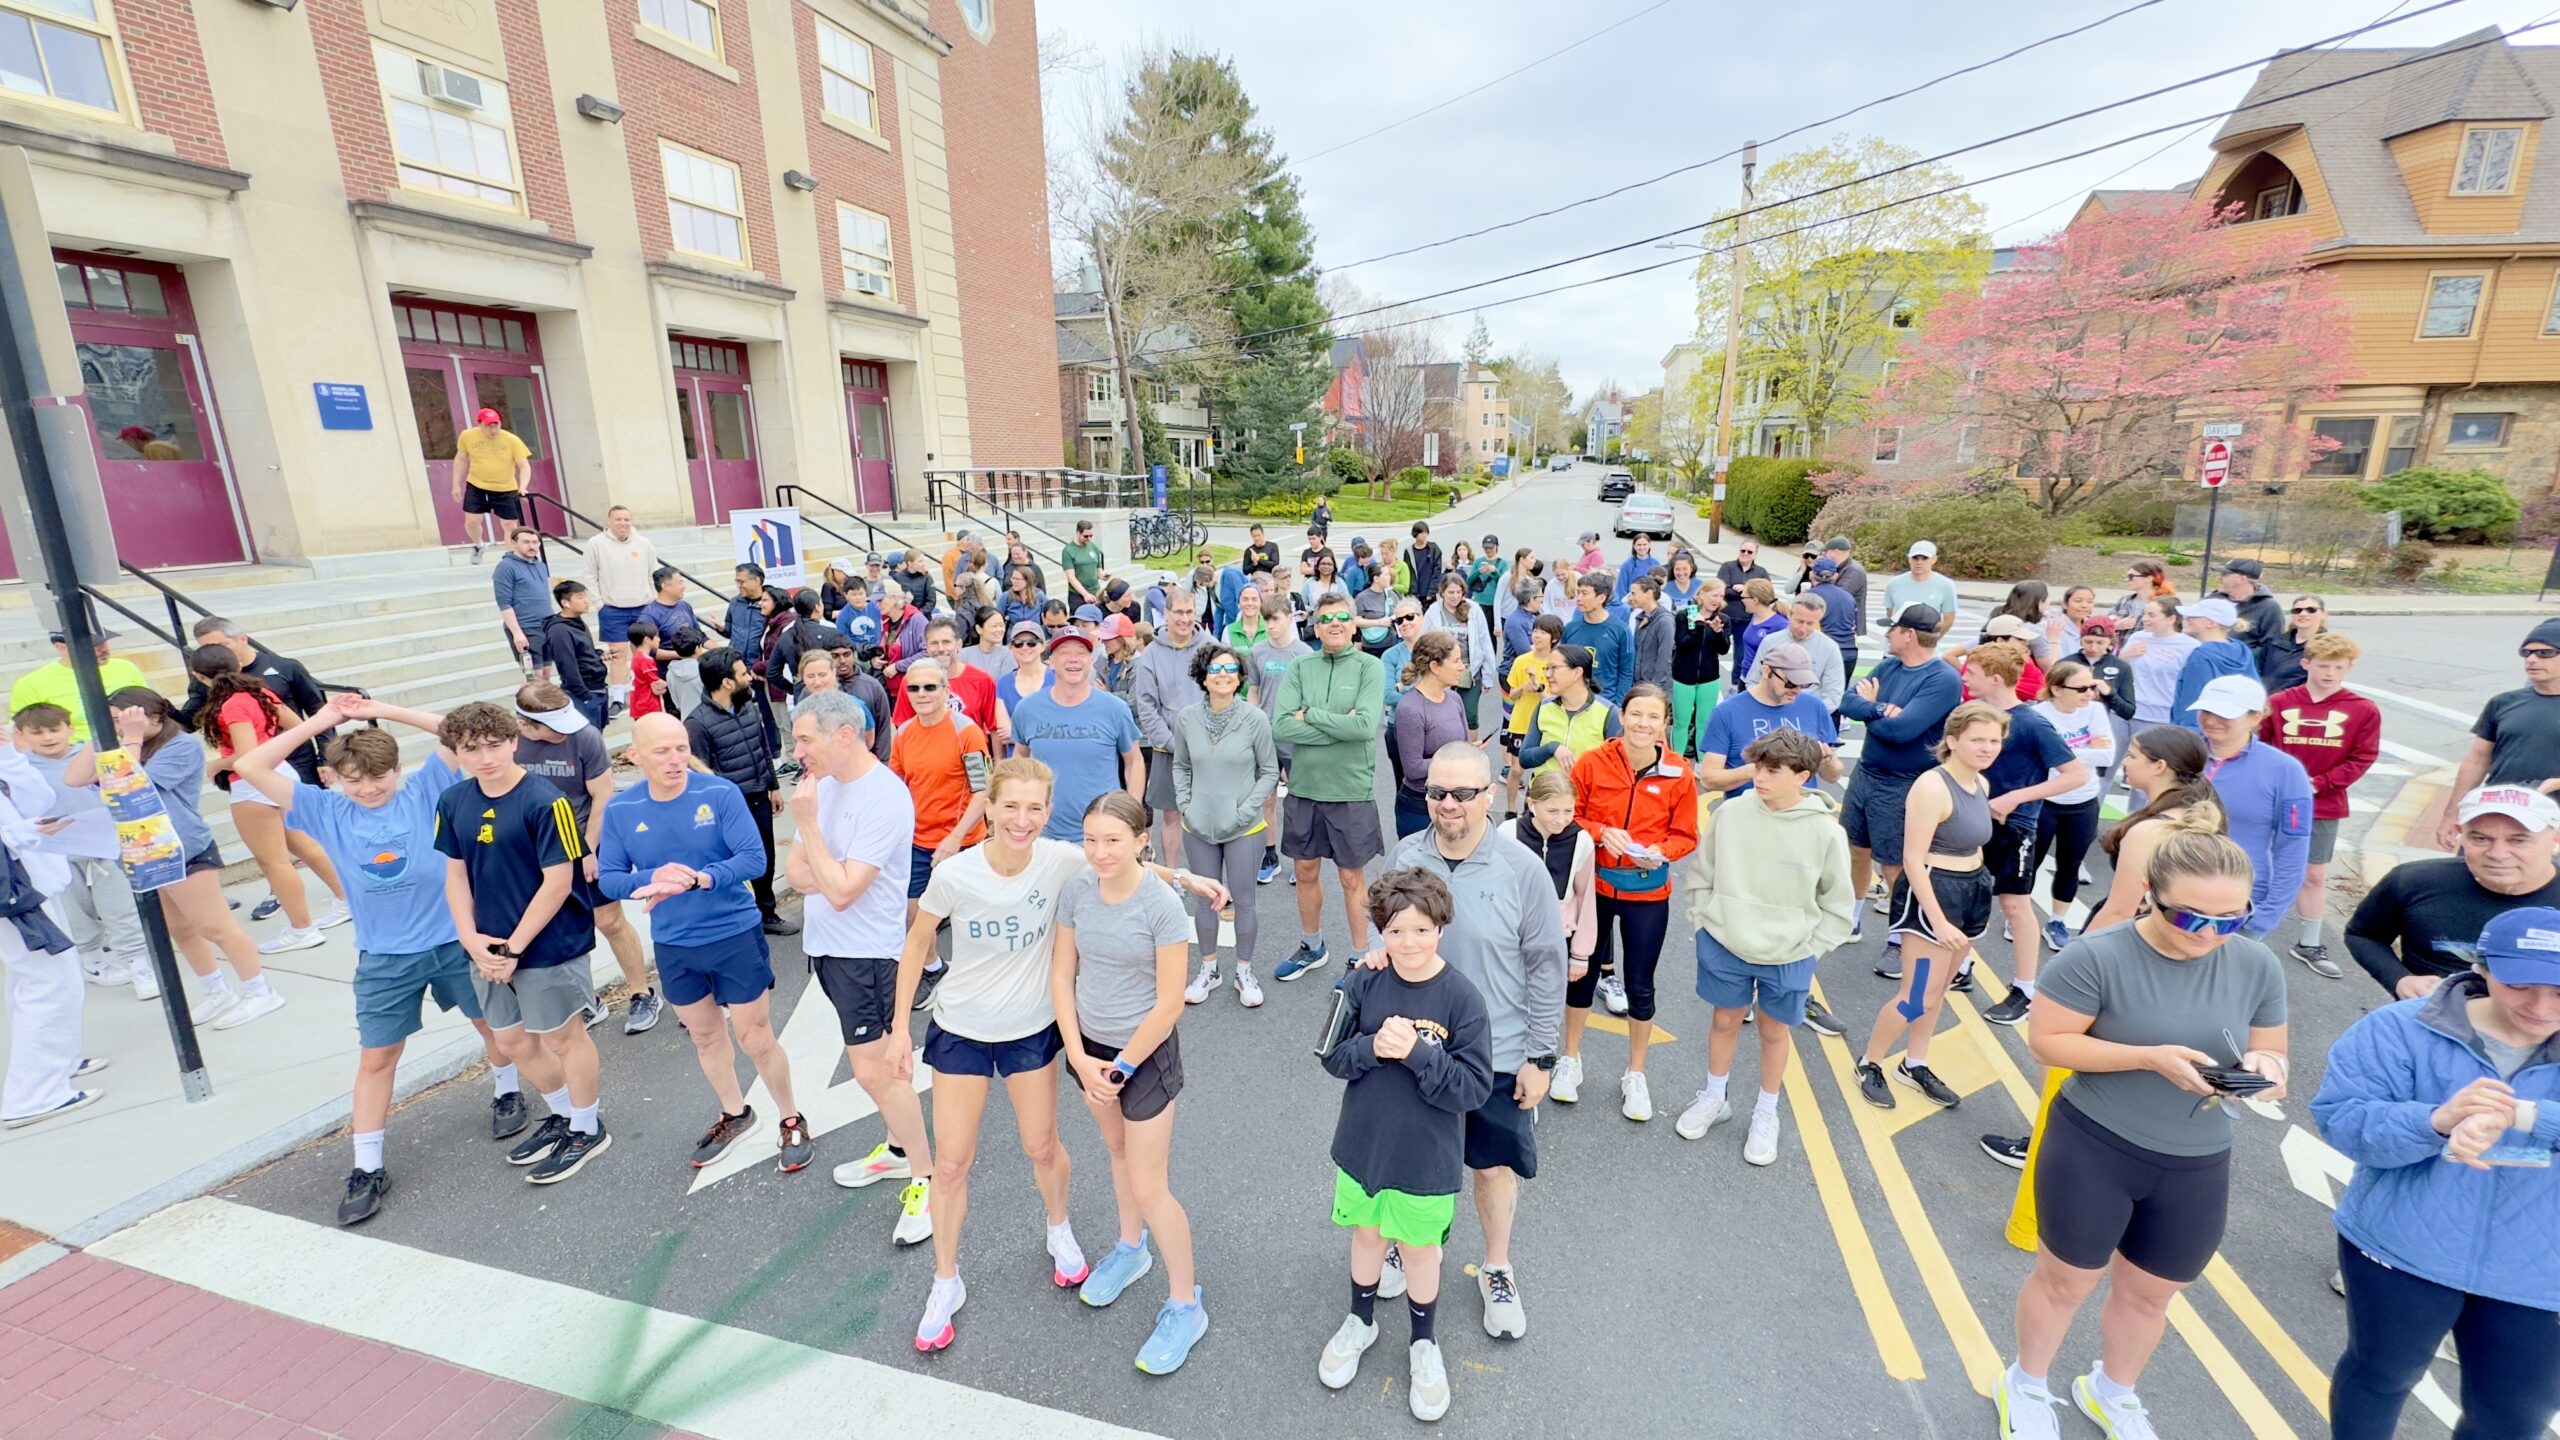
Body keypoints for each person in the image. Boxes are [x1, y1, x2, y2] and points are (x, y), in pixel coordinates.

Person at [894, 757, 1222, 1351]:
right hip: (1014, 1037)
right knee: (968, 1162)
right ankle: (959, 1279)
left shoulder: (1076, 867)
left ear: (1049, 814)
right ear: (988, 808)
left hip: (1083, 1045)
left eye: (1035, 808)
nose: (1022, 820)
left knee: (1089, 1162)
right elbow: (932, 944)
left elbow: (1129, 866)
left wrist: (1188, 880)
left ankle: (1140, 1276)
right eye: (1010, 806)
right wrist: (898, 1030)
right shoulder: (996, 876)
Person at [1996, 829, 2287, 1440]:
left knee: (2152, 1296)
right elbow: (2048, 1042)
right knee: (2064, 1283)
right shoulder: (2096, 956)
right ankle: (2025, 1381)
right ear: (2149, 894)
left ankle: (2112, 1391)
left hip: (2196, 1159)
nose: (2208, 934)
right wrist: (2148, 1057)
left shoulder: (2257, 963)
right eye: (2190, 916)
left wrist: (2266, 1072)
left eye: (2230, 920)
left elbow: (2272, 1055)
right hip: (2097, 1144)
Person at [232, 696, 517, 1221]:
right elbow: (248, 765)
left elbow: (456, 729)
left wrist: (377, 708)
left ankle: (508, 1091)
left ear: (397, 769)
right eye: (353, 779)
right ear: (335, 779)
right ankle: (367, 1165)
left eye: (377, 777)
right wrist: (321, 722)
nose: (367, 789)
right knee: (376, 1057)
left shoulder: (427, 789)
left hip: (456, 941)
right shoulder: (324, 809)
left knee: (492, 1027)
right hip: (385, 957)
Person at [2314, 905, 2560, 1440]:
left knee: (2512, 1421)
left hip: (2540, 1273)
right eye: (2522, 985)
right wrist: (2436, 1122)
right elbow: (2342, 1120)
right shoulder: (2399, 1029)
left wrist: (2522, 1116)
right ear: (2484, 968)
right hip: (2403, 1248)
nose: (2542, 1007)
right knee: (2380, 1376)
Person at [1316, 868, 1495, 1423]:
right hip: (1365, 1148)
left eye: (1420, 930)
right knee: (1367, 1237)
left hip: (1426, 1158)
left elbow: (1473, 1088)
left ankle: (1424, 1341)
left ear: (1441, 927)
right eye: (1394, 932)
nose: (1408, 943)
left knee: (1420, 1251)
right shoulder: (1361, 981)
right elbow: (1330, 1055)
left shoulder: (1463, 999)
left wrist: (1418, 1053)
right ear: (1379, 934)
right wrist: (1375, 1046)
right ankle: (1360, 1321)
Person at [605, 713, 810, 1176]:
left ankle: (791, 1116)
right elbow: (612, 880)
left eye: (681, 748)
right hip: (675, 944)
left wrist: (700, 879)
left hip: (733, 933)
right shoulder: (621, 810)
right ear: (634, 756)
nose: (676, 760)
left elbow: (754, 859)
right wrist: (651, 878)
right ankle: (735, 1114)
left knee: (755, 1037)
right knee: (704, 1035)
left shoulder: (718, 793)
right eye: (662, 751)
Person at [1050, 791, 1211, 1373]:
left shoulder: (1161, 904)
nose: (1099, 851)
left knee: (1150, 1185)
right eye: (1090, 839)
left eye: (1113, 840)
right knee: (1115, 1152)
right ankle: (1130, 1247)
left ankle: (1185, 1303)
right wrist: (1078, 1054)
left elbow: (1171, 1002)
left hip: (1141, 1059)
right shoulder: (1076, 889)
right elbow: (1062, 973)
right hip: (1088, 1051)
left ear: (1142, 842)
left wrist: (1118, 1070)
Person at [431, 700, 607, 1184]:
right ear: (457, 752)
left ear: (513, 743)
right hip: (486, 944)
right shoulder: (453, 801)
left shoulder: (548, 802)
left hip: (549, 943)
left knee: (562, 1037)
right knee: (510, 1040)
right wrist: (470, 939)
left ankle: (588, 1128)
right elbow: (455, 873)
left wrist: (512, 948)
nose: (485, 757)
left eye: (494, 745)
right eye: (471, 749)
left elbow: (557, 882)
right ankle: (562, 1114)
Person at [790, 692, 934, 1241]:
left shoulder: (884, 797)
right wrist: (823, 866)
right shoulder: (820, 789)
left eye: (806, 738)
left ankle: (924, 1175)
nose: (798, 749)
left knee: (878, 1072)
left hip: (868, 954)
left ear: (844, 735)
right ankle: (899, 1148)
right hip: (827, 949)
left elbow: (845, 890)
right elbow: (799, 874)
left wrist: (814, 841)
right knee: (871, 1069)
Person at [1676, 728, 1856, 1162]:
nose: (1760, 777)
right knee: (1724, 1020)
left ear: (1804, 776)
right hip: (1724, 942)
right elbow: (1703, 873)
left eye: (1774, 770)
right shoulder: (1731, 814)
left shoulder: (1826, 832)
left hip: (1790, 953)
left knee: (1775, 1031)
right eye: (1759, 767)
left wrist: (1812, 948)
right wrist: (1705, 921)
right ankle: (1715, 1097)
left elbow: (1837, 902)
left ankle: (1766, 1111)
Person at [1853, 701, 2008, 1112]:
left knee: (1939, 989)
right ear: (1953, 741)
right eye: (1978, 739)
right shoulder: (1932, 786)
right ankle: (1870, 1061)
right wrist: (1937, 919)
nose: (1988, 747)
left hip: (1971, 891)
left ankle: (1914, 1062)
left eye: (1994, 740)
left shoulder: (1981, 784)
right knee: (1916, 993)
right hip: (1934, 895)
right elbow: (1911, 859)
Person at [103, 688, 282, 1029]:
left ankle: (259, 990)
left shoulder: (181, 746)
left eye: (125, 720)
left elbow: (137, 787)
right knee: (180, 929)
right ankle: (216, 990)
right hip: (148, 850)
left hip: (183, 845)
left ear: (155, 715)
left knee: (216, 926)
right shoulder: (129, 746)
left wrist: (132, 740)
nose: (120, 728)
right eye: (115, 722)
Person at [1567, 684, 1698, 1122]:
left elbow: (1686, 836)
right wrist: (1602, 832)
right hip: (1595, 889)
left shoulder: (1680, 773)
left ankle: (1635, 1073)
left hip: (1648, 892)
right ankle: (1570, 1059)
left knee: (1640, 985)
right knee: (1580, 974)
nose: (1643, 724)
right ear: (1621, 716)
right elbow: (1571, 815)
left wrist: (1661, 850)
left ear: (1665, 724)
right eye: (1636, 714)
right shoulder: (1592, 762)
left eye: (1653, 717)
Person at [513, 685, 657, 1033]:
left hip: (586, 837)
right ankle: (585, 1000)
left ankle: (642, 992)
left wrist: (589, 850)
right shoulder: (511, 739)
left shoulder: (585, 737)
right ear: (526, 725)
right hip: (537, 847)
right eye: (554, 725)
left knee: (608, 920)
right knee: (557, 927)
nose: (564, 729)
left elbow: (602, 795)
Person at [188, 646, 351, 953]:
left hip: (252, 784)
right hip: (282, 773)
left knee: (274, 862)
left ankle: (302, 928)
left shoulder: (230, 705)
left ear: (198, 676)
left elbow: (248, 755)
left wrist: (217, 764)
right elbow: (300, 728)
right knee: (306, 846)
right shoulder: (259, 692)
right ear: (237, 663)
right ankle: (347, 900)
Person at [1963, 641, 2086, 1028]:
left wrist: (2017, 797)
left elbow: (2076, 774)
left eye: (1973, 671)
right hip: (1973, 821)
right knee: (1968, 894)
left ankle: (2025, 988)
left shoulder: (2032, 723)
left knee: (2015, 905)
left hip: (2015, 828)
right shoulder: (1975, 715)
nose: (1965, 675)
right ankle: (1962, 965)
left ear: (1995, 678)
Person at [1271, 594, 1388, 982]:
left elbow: (1363, 727)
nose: (1334, 623)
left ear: (1354, 625)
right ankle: (1312, 945)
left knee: (1352, 878)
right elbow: (1282, 726)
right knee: (1304, 871)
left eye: (1342, 617)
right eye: (1326, 619)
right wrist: (1339, 727)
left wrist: (1314, 717)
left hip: (1350, 792)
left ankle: (1360, 958)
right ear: (1316, 627)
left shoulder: (1370, 667)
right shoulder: (1301, 666)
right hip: (1305, 789)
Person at [2350, 785, 2560, 1001]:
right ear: (2462, 835)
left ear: (2555, 839)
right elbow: (2363, 935)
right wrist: (2401, 979)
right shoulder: (2414, 881)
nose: (2498, 854)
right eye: (2480, 839)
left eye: (2518, 840)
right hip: (2429, 1022)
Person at [2258, 631, 2380, 979]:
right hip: (2275, 799)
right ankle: (2242, 929)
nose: (2329, 673)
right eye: (2323, 665)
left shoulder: (2362, 709)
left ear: (2348, 668)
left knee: (2314, 873)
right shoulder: (2281, 702)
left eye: (2338, 667)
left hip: (2322, 803)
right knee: (2255, 863)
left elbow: (2363, 756)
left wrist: (2320, 783)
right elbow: (2261, 745)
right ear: (2306, 663)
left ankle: (2309, 942)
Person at [1837, 606, 1965, 929]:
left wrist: (1870, 714)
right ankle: (1852, 918)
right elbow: (1848, 701)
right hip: (1866, 773)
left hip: (1904, 783)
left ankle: (1900, 936)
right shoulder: (1889, 665)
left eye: (1892, 628)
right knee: (1856, 849)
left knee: (1896, 866)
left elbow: (1902, 731)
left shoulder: (1943, 679)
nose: (1887, 634)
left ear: (1909, 634)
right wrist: (1881, 709)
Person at [12, 704, 148, 997]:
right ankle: (93, 959)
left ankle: (138, 961)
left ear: (70, 728)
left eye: (54, 729)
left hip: (103, 846)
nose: (47, 737)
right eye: (37, 732)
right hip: (55, 852)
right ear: (21, 735)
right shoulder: (21, 768)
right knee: (75, 911)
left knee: (119, 907)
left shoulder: (89, 757)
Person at [1173, 643, 1278, 1007]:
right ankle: (1209, 970)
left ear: (1239, 678)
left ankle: (1244, 972)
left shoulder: (1255, 719)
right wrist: (1185, 804)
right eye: (1215, 669)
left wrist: (1246, 809)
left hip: (1244, 827)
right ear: (1203, 676)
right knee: (1204, 902)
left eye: (1230, 669)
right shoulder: (1186, 718)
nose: (1223, 675)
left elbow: (1269, 772)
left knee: (1244, 901)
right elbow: (1181, 765)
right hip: (1197, 825)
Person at [0, 743, 92, 1128]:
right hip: (16, 893)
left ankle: (56, 1064)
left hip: (32, 883)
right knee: (50, 981)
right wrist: (23, 832)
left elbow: (39, 799)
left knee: (37, 978)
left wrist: (8, 756)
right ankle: (33, 1094)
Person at [684, 648, 798, 937]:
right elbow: (701, 776)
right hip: (730, 808)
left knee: (766, 858)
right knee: (736, 863)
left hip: (760, 795)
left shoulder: (748, 707)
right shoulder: (697, 724)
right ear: (726, 683)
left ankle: (767, 913)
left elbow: (762, 749)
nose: (749, 677)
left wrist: (773, 786)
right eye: (743, 674)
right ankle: (741, 916)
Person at [2190, 675, 2312, 943]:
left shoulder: (2285, 770)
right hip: (2173, 891)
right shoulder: (2182, 753)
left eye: (2224, 714)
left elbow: (2293, 846)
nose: (2211, 720)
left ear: (2255, 717)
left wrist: (2267, 914)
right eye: (2207, 710)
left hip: (2239, 902)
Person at [2084, 727, 2226, 933]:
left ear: (2159, 766)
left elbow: (2120, 911)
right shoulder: (2195, 811)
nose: (2124, 762)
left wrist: (2072, 958)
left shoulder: (2148, 832)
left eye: (2132, 756)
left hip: (2137, 936)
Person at [1010, 630, 1144, 842]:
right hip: (1043, 834)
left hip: (1102, 835)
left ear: (1091, 661)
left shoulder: (1115, 709)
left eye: (1081, 652)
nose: (1073, 659)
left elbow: (1134, 761)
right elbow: (1020, 759)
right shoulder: (1027, 709)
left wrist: (1131, 815)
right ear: (1050, 661)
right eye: (1064, 652)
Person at [2438, 619, 2560, 850]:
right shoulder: (2503, 703)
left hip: (2551, 823)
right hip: (2497, 813)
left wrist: (2553, 784)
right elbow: (2477, 759)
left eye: (2545, 653)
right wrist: (2452, 813)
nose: (2532, 659)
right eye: (2526, 652)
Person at [2023, 659, 2115, 953]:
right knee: (2031, 863)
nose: (2090, 693)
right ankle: (2020, 918)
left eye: (2092, 686)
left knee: (2070, 865)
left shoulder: (2095, 710)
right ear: (2056, 689)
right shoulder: (2038, 715)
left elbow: (2108, 757)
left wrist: (2065, 753)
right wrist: (2088, 751)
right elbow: (2045, 759)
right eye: (2082, 688)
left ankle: (2057, 921)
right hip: (2045, 800)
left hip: (2083, 800)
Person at [1696, 642, 1839, 800]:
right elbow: (1709, 779)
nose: (1796, 690)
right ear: (1766, 672)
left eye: (1803, 684)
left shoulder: (1814, 707)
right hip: (1750, 812)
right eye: (1790, 682)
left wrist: (1828, 761)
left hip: (1801, 811)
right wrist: (1757, 770)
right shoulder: (1727, 712)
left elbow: (1833, 776)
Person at [1133, 589, 1207, 864]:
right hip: (1168, 749)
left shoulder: (1209, 647)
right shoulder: (1151, 655)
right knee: (1172, 815)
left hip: (1208, 748)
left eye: (1189, 612)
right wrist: (1175, 745)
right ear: (1166, 614)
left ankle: (1208, 876)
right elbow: (1147, 707)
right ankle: (1172, 876)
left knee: (1208, 814)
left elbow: (1223, 696)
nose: (1185, 619)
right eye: (1179, 612)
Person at [1246, 610, 1312, 882]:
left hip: (1294, 737)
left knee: (1298, 800)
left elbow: (1312, 695)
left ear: (1289, 619)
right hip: (1265, 735)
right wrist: (1252, 721)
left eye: (1276, 619)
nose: (1271, 625)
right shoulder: (1258, 652)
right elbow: (1254, 690)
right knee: (1266, 798)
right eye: (1267, 620)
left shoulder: (1304, 652)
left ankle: (1301, 859)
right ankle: (1269, 856)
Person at [1392, 633, 1474, 839]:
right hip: (1420, 806)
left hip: (1456, 799)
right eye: (1456, 661)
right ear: (1435, 667)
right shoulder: (1410, 708)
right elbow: (1413, 768)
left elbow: (1464, 744)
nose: (1462, 667)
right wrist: (1455, 757)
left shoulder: (1454, 698)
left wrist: (1469, 751)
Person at [581, 505, 659, 715]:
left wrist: (653, 600)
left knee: (642, 653)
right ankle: (618, 698)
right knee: (618, 654)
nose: (623, 523)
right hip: (613, 608)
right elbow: (589, 575)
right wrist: (599, 604)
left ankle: (642, 691)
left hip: (642, 606)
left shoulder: (643, 543)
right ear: (609, 521)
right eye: (618, 519)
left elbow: (654, 572)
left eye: (626, 519)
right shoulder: (596, 544)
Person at [11, 630, 147, 743]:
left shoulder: (125, 668)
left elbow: (149, 706)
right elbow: (23, 733)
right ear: (62, 647)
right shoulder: (31, 684)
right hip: (76, 754)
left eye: (104, 642)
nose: (103, 649)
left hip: (136, 743)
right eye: (91, 645)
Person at [1422, 574, 1499, 735]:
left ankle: (1470, 750)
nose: (1455, 596)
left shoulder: (1473, 609)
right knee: (1442, 713)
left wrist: (1488, 675)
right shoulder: (1434, 611)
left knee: (1469, 714)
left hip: (1469, 671)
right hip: (1442, 671)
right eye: (1451, 592)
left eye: (1459, 592)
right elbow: (1424, 641)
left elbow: (1484, 641)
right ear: (1442, 592)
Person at [2167, 596, 2258, 731]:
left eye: (2194, 616)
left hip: (2201, 736)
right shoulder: (2242, 650)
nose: (2187, 619)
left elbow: (2193, 703)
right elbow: (2254, 694)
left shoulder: (2201, 656)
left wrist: (2187, 737)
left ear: (2211, 623)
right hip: (2234, 731)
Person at [1502, 614, 1564, 812]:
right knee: (1517, 769)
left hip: (1546, 724)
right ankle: (1511, 809)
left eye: (1542, 632)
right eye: (1535, 631)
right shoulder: (1521, 661)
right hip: (1520, 722)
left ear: (1553, 638)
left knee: (1543, 772)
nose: (1537, 636)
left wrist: (1538, 689)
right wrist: (1523, 687)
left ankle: (1537, 809)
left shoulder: (1558, 663)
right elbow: (1511, 694)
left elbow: (1555, 698)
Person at [450, 406, 529, 558]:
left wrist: (523, 487)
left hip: (505, 487)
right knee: (472, 521)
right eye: (488, 426)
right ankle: (479, 544)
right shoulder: (467, 436)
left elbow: (524, 466)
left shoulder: (512, 440)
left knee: (510, 525)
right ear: (479, 424)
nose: (493, 430)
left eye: (496, 425)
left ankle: (513, 558)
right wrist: (456, 485)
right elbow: (461, 459)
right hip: (477, 484)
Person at [1746, 592, 1846, 712]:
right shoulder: (1770, 641)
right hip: (1770, 710)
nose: (1803, 629)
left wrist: (1811, 716)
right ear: (1790, 615)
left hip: (1808, 713)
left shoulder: (1829, 648)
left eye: (1810, 624)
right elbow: (1753, 680)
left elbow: (1833, 695)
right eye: (1799, 621)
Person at [1668, 577, 1729, 760]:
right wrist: (1698, 627)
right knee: (1681, 722)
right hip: (1683, 677)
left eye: (1721, 596)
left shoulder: (1723, 619)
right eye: (1714, 594)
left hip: (1709, 677)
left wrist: (1718, 633)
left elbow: (1723, 649)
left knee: (1704, 722)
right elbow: (1682, 645)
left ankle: (1703, 761)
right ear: (1702, 594)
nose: (1717, 599)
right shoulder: (1685, 615)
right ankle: (1676, 759)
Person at [2116, 598, 2196, 732]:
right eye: (2144, 614)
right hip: (2123, 712)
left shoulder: (2189, 646)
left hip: (2159, 717)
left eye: (2151, 615)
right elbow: (2118, 671)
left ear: (2171, 619)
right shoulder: (2137, 637)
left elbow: (2191, 684)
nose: (2144, 619)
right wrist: (2122, 656)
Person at [539, 581, 609, 729]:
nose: (586, 601)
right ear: (566, 603)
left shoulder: (576, 621)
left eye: (586, 596)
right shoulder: (559, 631)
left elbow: (582, 651)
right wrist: (585, 696)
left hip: (598, 687)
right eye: (580, 597)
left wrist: (599, 655)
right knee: (588, 738)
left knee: (597, 735)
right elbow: (567, 665)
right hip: (585, 693)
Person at [493, 527, 556, 679]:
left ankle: (546, 703)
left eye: (535, 542)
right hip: (526, 628)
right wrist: (517, 633)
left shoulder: (540, 565)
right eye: (526, 542)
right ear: (514, 543)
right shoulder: (506, 567)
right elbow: (504, 603)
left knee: (546, 674)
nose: (532, 546)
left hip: (546, 626)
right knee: (534, 677)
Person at [1563, 572, 1634, 705]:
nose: (1578, 598)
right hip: (1573, 701)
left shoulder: (1621, 630)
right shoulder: (1570, 628)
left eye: (1584, 593)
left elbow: (1626, 672)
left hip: (1605, 702)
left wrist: (1618, 705)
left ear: (1601, 598)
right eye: (1578, 592)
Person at [1882, 541, 1958, 647]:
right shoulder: (1894, 583)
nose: (1919, 562)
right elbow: (1890, 612)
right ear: (1909, 559)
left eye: (1924, 558)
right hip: (1896, 648)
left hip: (1925, 650)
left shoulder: (1946, 585)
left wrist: (1932, 641)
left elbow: (1949, 619)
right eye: (1915, 558)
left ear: (1934, 559)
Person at [2215, 558, 2284, 667]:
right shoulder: (2213, 600)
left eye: (2224, 574)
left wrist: (2235, 658)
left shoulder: (2269, 608)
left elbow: (2270, 647)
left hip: (2239, 670)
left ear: (2241, 579)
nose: (2219, 577)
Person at [637, 566, 716, 655]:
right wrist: (682, 654)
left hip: (692, 662)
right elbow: (648, 650)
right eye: (680, 582)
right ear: (665, 586)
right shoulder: (649, 615)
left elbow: (700, 636)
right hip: (669, 667)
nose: (683, 587)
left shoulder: (685, 606)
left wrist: (721, 650)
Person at [2255, 594, 2323, 694]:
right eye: (2297, 610)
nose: (2303, 614)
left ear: (2323, 614)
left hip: (2299, 704)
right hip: (2269, 702)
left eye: (2311, 610)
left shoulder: (2326, 647)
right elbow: (2259, 672)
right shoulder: (2274, 642)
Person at [1626, 575, 1675, 696]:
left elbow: (1664, 658)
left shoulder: (1665, 621)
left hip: (1655, 689)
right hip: (1640, 685)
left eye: (1634, 593)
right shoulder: (1641, 617)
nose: (1630, 598)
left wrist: (1655, 689)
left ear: (1648, 594)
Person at [1714, 542, 1771, 636]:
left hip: (1747, 620)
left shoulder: (1761, 572)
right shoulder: (1727, 567)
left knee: (1741, 650)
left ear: (1755, 555)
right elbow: (1723, 590)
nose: (1745, 553)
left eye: (1749, 552)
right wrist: (1751, 595)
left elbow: (1766, 595)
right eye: (1743, 550)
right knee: (1718, 647)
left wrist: (1746, 589)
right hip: (1725, 616)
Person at [621, 621, 666, 720]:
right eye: (656, 636)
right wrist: (665, 684)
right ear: (646, 640)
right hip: (648, 706)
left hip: (637, 705)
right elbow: (656, 686)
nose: (659, 639)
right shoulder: (647, 660)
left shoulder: (636, 657)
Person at [1819, 536, 1870, 624]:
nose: (1824, 556)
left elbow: (1839, 596)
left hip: (1847, 624)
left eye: (1826, 552)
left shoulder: (1854, 570)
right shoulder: (1840, 567)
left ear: (1835, 552)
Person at [1613, 533, 1662, 603]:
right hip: (1632, 602)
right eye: (1639, 545)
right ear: (1634, 546)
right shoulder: (1626, 565)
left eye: (1645, 544)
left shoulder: (1656, 564)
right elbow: (1621, 589)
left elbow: (1660, 586)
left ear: (1649, 545)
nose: (1642, 548)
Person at [1407, 521, 1444, 602]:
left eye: (1426, 533)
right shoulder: (1409, 551)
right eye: (1422, 533)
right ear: (1416, 534)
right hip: (1415, 595)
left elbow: (1437, 571)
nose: (1424, 536)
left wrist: (1431, 592)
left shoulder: (1433, 549)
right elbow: (1409, 573)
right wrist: (1413, 593)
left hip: (1429, 593)